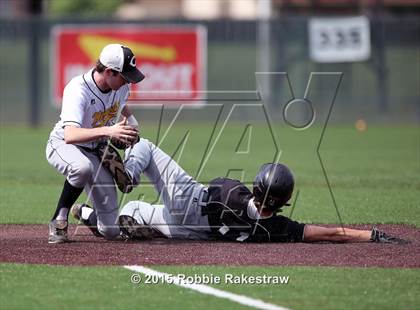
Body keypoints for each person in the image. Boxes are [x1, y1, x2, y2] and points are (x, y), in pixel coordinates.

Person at [71, 138, 408, 244]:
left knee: (143, 144)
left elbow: (220, 185)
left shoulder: (234, 194)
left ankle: (127, 174)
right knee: (118, 226)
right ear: (285, 201)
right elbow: (329, 233)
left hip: (191, 202)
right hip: (199, 233)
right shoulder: (275, 228)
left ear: (258, 184)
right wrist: (370, 235)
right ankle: (87, 214)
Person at [46, 43, 144, 243]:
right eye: (124, 76)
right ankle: (59, 220)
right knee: (82, 168)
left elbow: (122, 105)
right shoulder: (78, 89)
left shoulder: (121, 87)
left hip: (96, 149)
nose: (128, 81)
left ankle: (84, 213)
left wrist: (132, 126)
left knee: (110, 231)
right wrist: (110, 131)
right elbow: (70, 135)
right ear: (109, 72)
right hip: (64, 145)